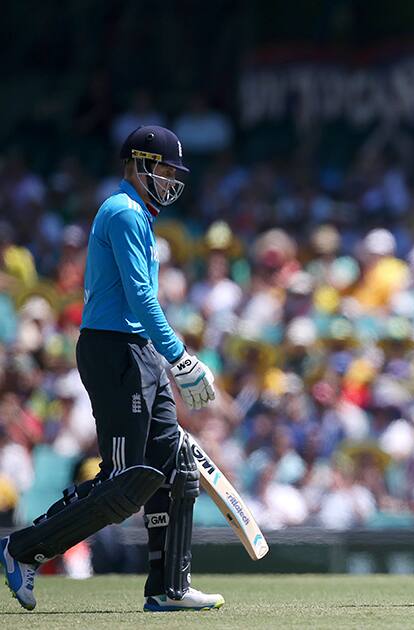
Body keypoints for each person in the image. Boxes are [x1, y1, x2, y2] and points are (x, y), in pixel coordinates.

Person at [0, 126, 223, 613]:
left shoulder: (139, 214)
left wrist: (166, 356)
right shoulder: (122, 211)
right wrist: (181, 358)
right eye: (163, 168)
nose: (169, 179)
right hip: (113, 350)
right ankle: (22, 551)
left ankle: (169, 588)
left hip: (136, 350)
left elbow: (144, 304)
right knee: (125, 481)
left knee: (175, 466)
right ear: (140, 163)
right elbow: (141, 299)